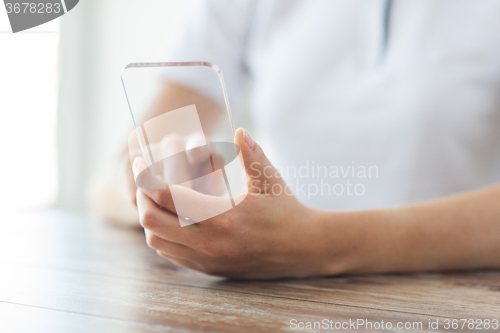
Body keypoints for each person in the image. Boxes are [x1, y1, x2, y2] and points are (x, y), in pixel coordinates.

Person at [123, 0, 500, 279]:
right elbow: (117, 176)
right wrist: (173, 200)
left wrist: (320, 245)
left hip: (456, 302)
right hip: (279, 300)